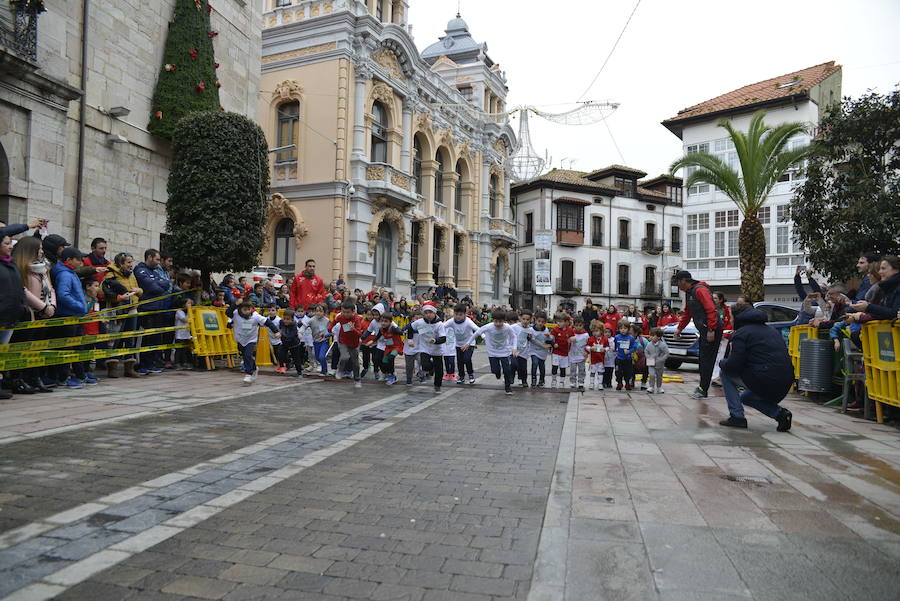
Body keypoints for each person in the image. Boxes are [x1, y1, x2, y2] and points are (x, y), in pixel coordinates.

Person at [718, 302, 794, 431]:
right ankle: (780, 414)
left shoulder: (742, 333)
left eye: (730, 316)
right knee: (746, 397)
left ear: (737, 317)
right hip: (785, 382)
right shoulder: (771, 330)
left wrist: (722, 363)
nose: (730, 320)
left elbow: (733, 365)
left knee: (724, 372)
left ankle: (737, 417)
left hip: (766, 381)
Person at [10, 236, 56, 393]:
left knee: (37, 347)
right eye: (39, 249)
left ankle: (34, 377)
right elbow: (24, 291)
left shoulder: (43, 268)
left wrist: (52, 306)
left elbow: (51, 289)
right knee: (23, 346)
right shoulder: (20, 267)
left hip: (44, 313)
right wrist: (43, 307)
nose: (42, 252)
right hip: (30, 313)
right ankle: (18, 379)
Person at [673, 270, 723, 399]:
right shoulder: (689, 293)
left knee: (707, 360)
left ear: (683, 280)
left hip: (712, 330)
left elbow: (711, 309)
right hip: (705, 329)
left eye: (677, 282)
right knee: (703, 359)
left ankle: (703, 389)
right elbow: (687, 313)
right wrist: (679, 329)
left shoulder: (700, 290)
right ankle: (703, 387)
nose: (677, 286)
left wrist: (711, 330)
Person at [51, 247, 90, 388]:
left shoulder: (70, 272)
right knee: (67, 349)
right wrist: (80, 306)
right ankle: (63, 378)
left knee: (77, 348)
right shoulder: (65, 275)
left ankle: (80, 376)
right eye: (78, 260)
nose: (81, 262)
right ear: (68, 260)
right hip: (68, 315)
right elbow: (63, 295)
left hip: (75, 316)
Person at [134, 249, 171, 375]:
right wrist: (158, 285)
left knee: (155, 338)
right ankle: (142, 364)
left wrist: (158, 284)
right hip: (147, 309)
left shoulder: (154, 272)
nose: (159, 262)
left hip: (158, 308)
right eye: (157, 259)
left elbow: (166, 284)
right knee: (146, 338)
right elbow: (152, 286)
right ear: (149, 257)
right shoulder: (140, 270)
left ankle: (151, 363)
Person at [227, 301, 280, 385]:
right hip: (240, 339)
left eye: (249, 309)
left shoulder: (255, 316)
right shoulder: (235, 313)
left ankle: (248, 374)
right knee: (245, 356)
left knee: (248, 355)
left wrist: (276, 331)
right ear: (240, 309)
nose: (247, 311)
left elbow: (268, 322)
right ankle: (254, 368)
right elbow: (228, 312)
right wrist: (235, 304)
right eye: (245, 309)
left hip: (251, 339)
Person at [471, 310, 517, 395]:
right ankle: (497, 373)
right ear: (493, 320)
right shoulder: (488, 327)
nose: (498, 324)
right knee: (495, 370)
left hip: (504, 352)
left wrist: (514, 348)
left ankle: (508, 387)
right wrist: (468, 343)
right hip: (492, 352)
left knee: (507, 370)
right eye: (496, 321)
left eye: (500, 321)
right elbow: (477, 333)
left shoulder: (507, 327)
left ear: (504, 321)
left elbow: (514, 337)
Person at [410, 302, 448, 393]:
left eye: (430, 312)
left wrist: (435, 340)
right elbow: (410, 328)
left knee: (439, 371)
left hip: (437, 349)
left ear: (434, 313)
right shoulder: (420, 322)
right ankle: (431, 368)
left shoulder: (439, 324)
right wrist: (410, 339)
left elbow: (443, 338)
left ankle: (437, 386)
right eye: (426, 313)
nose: (428, 315)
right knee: (425, 365)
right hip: (425, 348)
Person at [329, 298, 365, 388]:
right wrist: (329, 330)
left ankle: (357, 380)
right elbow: (334, 322)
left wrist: (353, 329)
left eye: (348, 312)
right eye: (343, 311)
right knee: (344, 357)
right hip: (343, 341)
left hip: (354, 343)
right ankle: (340, 370)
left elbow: (359, 333)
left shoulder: (356, 319)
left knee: (355, 362)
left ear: (353, 311)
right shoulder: (341, 316)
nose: (345, 314)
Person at [850, 256, 900, 320]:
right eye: (880, 269)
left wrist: (868, 307)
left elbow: (894, 313)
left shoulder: (895, 288)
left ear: (896, 270)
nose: (880, 272)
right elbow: (884, 313)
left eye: (883, 268)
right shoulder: (886, 288)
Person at [366, 310, 404, 385]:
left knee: (391, 357)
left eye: (386, 321)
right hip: (388, 347)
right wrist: (371, 341)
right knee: (384, 362)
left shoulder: (393, 328)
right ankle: (387, 373)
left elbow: (401, 331)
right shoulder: (381, 329)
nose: (383, 323)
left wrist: (405, 333)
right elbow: (377, 336)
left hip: (396, 347)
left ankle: (392, 376)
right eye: (382, 321)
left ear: (390, 322)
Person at [445, 303, 479, 385]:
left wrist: (485, 336)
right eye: (456, 314)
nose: (458, 316)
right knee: (460, 361)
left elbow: (478, 330)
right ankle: (461, 376)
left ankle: (470, 374)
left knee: (467, 359)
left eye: (460, 315)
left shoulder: (468, 322)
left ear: (465, 314)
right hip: (458, 344)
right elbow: (442, 326)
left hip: (469, 343)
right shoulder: (452, 321)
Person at [275, 309, 305, 378]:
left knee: (296, 358)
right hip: (285, 343)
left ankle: (299, 372)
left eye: (288, 319)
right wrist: (279, 333)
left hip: (294, 344)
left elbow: (291, 335)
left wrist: (281, 335)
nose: (286, 321)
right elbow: (281, 329)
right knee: (280, 352)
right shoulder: (281, 322)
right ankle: (284, 365)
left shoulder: (294, 325)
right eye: (284, 319)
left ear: (292, 319)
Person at [526, 311, 552, 388]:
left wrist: (549, 337)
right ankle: (533, 379)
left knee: (541, 366)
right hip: (534, 350)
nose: (540, 323)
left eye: (542, 322)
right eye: (539, 321)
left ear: (545, 322)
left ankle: (541, 380)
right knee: (535, 363)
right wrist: (542, 345)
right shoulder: (531, 329)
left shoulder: (546, 329)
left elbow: (548, 339)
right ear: (535, 320)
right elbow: (532, 340)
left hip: (543, 352)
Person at [549, 314, 573, 389]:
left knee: (563, 368)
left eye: (561, 322)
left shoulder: (570, 330)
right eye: (557, 321)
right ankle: (553, 380)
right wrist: (553, 344)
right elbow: (550, 339)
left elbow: (573, 338)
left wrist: (572, 339)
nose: (558, 323)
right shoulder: (555, 329)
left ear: (566, 322)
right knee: (554, 367)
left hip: (565, 353)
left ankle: (562, 382)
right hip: (556, 352)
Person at [644, 327, 670, 394]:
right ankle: (651, 386)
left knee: (659, 376)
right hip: (650, 361)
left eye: (653, 335)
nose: (651, 337)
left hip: (659, 363)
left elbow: (666, 353)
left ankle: (659, 387)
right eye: (651, 335)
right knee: (651, 374)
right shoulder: (649, 344)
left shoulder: (663, 345)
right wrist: (648, 357)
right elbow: (646, 351)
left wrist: (661, 359)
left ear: (658, 337)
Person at [308, 303, 331, 376]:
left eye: (320, 311)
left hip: (324, 341)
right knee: (317, 357)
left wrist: (326, 335)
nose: (318, 313)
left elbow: (331, 331)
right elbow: (304, 325)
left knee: (322, 356)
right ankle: (323, 366)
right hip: (316, 341)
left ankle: (324, 371)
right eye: (317, 311)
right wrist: (300, 332)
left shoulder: (327, 321)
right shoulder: (312, 320)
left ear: (324, 312)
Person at [567, 317, 590, 391]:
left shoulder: (586, 335)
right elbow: (567, 342)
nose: (578, 327)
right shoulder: (571, 333)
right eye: (576, 325)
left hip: (582, 356)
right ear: (574, 325)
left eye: (580, 325)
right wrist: (569, 340)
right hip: (573, 355)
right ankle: (572, 381)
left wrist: (587, 352)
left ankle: (581, 382)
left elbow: (588, 344)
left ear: (583, 325)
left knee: (581, 369)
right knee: (572, 369)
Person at [511, 310, 532, 388]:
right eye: (523, 319)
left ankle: (524, 380)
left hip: (524, 352)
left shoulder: (530, 330)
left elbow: (531, 339)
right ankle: (511, 378)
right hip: (514, 350)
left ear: (530, 320)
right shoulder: (514, 327)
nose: (525, 321)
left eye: (527, 319)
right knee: (513, 364)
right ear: (520, 318)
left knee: (523, 368)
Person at [613, 321, 636, 391]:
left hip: (627, 359)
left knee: (628, 372)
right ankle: (619, 383)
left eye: (625, 328)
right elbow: (614, 346)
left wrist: (629, 351)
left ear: (628, 329)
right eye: (621, 328)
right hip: (619, 358)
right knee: (618, 372)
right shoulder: (617, 337)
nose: (623, 330)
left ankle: (627, 383)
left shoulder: (631, 338)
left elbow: (634, 347)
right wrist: (614, 350)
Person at [402, 308, 423, 385]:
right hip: (409, 349)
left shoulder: (423, 326)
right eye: (416, 318)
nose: (418, 320)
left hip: (419, 348)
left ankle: (421, 376)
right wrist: (404, 331)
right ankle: (409, 379)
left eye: (420, 319)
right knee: (409, 366)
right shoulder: (410, 325)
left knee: (422, 361)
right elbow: (403, 329)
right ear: (412, 318)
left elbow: (426, 333)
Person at [173, 298, 193, 370]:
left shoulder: (188, 312)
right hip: (179, 334)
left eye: (191, 303)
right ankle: (177, 363)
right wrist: (190, 313)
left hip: (186, 334)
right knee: (179, 349)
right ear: (183, 304)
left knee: (185, 349)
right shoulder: (179, 312)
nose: (190, 305)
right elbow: (184, 319)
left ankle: (184, 362)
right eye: (188, 303)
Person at [587, 324, 608, 391]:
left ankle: (600, 383)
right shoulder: (591, 339)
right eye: (593, 331)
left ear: (601, 331)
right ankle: (591, 383)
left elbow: (608, 347)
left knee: (600, 372)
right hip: (593, 359)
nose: (595, 333)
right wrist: (590, 348)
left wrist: (604, 349)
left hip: (601, 359)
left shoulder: (605, 339)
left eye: (596, 331)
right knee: (592, 372)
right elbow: (586, 346)